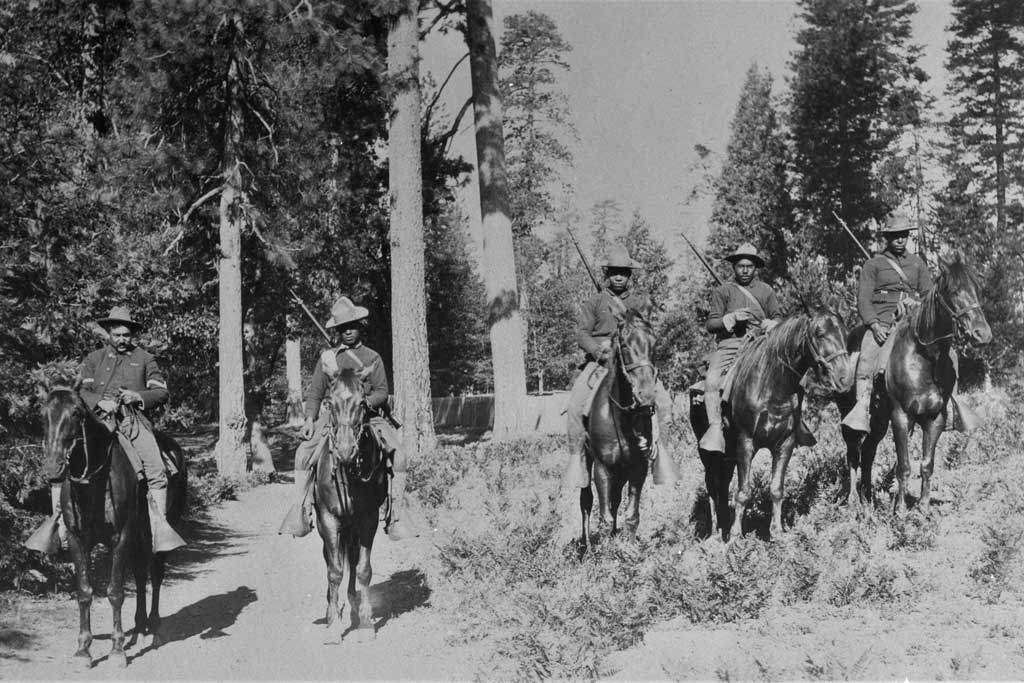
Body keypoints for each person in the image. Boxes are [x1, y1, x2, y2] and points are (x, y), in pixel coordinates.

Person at [280, 296, 422, 540]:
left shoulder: (372, 357)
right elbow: (315, 394)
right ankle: (301, 509)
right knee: (303, 453)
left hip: (367, 417)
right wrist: (309, 419)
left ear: (359, 327)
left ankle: (396, 512)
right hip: (334, 417)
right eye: (342, 328)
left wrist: (364, 403)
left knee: (399, 455)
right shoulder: (328, 358)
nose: (347, 332)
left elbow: (381, 392)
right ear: (337, 331)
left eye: (351, 327)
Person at [843, 212, 976, 432]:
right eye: (895, 235)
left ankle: (951, 405)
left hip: (913, 323)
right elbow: (863, 301)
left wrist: (914, 301)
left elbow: (929, 295)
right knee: (867, 354)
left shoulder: (917, 264)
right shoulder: (873, 265)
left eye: (904, 234)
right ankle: (862, 406)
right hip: (884, 322)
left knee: (950, 354)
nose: (900, 239)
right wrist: (874, 325)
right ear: (886, 237)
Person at [563, 244, 679, 489]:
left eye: (624, 272)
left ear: (630, 275)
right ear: (607, 273)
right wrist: (598, 349)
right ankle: (577, 457)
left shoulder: (639, 301)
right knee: (575, 403)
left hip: (633, 361)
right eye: (614, 271)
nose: (619, 276)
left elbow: (646, 331)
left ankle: (662, 452)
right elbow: (582, 333)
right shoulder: (595, 302)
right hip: (601, 362)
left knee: (665, 403)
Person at [71, 306, 185, 553]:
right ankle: (60, 525)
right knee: (63, 461)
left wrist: (137, 396)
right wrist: (98, 401)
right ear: (109, 333)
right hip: (98, 422)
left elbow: (161, 392)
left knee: (156, 469)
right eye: (117, 334)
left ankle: (159, 528)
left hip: (132, 422)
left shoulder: (145, 359)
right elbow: (81, 390)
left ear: (132, 334)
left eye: (126, 335)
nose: (121, 340)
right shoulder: (94, 359)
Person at [700, 243, 785, 453]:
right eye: (740, 266)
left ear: (755, 267)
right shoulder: (723, 291)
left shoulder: (766, 291)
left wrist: (772, 324)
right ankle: (715, 428)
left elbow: (778, 317)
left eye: (749, 266)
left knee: (791, 375)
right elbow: (711, 324)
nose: (745, 270)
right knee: (711, 380)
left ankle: (795, 424)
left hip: (760, 343)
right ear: (734, 267)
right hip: (730, 344)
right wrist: (731, 318)